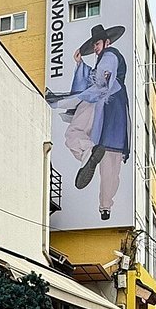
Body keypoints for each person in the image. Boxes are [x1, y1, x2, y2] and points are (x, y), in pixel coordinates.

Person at [48, 23, 131, 221]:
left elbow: (99, 81)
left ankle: (88, 152)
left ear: (107, 42)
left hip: (100, 103)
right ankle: (105, 207)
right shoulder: (112, 58)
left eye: (97, 44)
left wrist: (85, 72)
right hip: (117, 117)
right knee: (111, 168)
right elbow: (98, 76)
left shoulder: (110, 54)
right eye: (94, 45)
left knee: (74, 133)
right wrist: (80, 64)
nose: (95, 48)